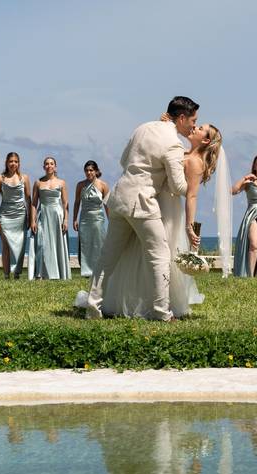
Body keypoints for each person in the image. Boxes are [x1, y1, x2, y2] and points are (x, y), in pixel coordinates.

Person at [86, 96, 196, 320]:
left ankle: (92, 306)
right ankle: (162, 312)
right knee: (160, 256)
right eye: (193, 120)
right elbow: (177, 186)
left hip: (119, 198)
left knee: (108, 257)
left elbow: (124, 159)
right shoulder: (174, 143)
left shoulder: (143, 127)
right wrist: (193, 185)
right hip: (142, 203)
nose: (194, 125)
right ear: (182, 118)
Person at [98, 123, 224, 318]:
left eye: (200, 128)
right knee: (138, 252)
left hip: (167, 208)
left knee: (158, 255)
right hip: (151, 201)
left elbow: (191, 196)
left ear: (206, 140)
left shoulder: (195, 162)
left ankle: (157, 303)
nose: (194, 127)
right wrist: (164, 123)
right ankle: (133, 299)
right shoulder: (179, 149)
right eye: (195, 123)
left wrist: (189, 227)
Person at [30, 156, 72, 280]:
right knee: (41, 244)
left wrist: (65, 220)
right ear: (44, 167)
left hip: (57, 215)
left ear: (55, 166)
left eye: (51, 163)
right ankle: (41, 274)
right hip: (42, 213)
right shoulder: (38, 182)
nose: (49, 166)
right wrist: (33, 220)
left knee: (57, 243)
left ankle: (59, 273)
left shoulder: (62, 182)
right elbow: (33, 203)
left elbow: (65, 203)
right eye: (47, 164)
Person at [0, 152, 31, 279]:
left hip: (20, 214)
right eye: (11, 161)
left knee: (20, 245)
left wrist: (31, 218)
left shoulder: (24, 178)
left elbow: (28, 199)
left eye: (15, 161)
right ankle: (6, 274)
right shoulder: (0, 178)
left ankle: (16, 274)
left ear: (18, 163)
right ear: (6, 162)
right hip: (5, 214)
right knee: (6, 245)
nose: (13, 164)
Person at [73, 160, 109, 277]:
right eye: (87, 170)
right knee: (86, 244)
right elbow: (77, 202)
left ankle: (99, 270)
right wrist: (74, 219)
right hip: (84, 218)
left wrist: (111, 220)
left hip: (98, 218)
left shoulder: (103, 185)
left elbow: (107, 204)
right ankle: (87, 271)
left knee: (98, 243)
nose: (89, 173)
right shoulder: (80, 185)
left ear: (96, 171)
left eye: (91, 170)